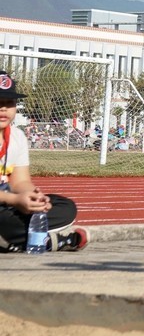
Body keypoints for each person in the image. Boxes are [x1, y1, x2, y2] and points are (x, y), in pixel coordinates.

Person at [0, 72, 88, 252]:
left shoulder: (17, 137)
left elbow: (20, 182)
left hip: (7, 204)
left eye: (9, 103)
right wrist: (15, 199)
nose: (3, 109)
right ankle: (50, 241)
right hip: (6, 203)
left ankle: (15, 239)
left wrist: (35, 198)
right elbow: (13, 195)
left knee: (66, 208)